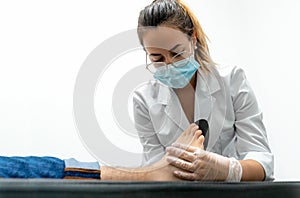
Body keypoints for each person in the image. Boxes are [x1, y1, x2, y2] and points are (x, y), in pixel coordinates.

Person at [133, 0, 274, 181]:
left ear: (193, 39)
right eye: (157, 57)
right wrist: (176, 162)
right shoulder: (143, 100)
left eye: (177, 53)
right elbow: (153, 173)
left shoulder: (232, 80)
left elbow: (262, 162)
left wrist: (225, 169)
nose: (169, 64)